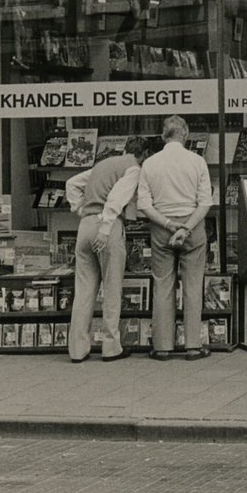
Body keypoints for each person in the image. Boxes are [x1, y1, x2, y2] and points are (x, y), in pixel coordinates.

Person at [64, 135, 151, 363]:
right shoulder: (133, 168)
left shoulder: (102, 165)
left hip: (85, 227)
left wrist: (80, 209)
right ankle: (111, 347)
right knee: (112, 289)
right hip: (107, 226)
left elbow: (71, 184)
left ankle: (77, 350)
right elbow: (116, 198)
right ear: (144, 154)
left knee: (84, 291)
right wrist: (104, 227)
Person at [137, 115, 213, 361]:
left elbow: (144, 205)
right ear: (186, 134)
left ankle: (162, 347)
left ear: (162, 136)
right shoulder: (197, 161)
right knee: (192, 286)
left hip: (161, 227)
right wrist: (186, 228)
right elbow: (205, 203)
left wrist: (169, 224)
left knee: (162, 284)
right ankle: (192, 346)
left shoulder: (149, 163)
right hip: (192, 227)